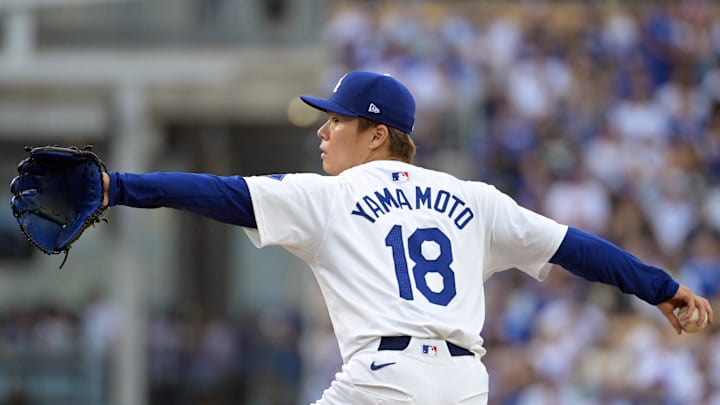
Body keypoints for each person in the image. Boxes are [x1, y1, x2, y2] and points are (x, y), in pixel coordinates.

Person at [101, 71, 712, 404]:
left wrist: (118, 186)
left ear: (377, 135)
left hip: (381, 382)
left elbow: (218, 193)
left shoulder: (331, 197)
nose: (323, 130)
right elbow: (575, 247)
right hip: (463, 385)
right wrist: (659, 287)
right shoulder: (475, 199)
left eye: (337, 119)